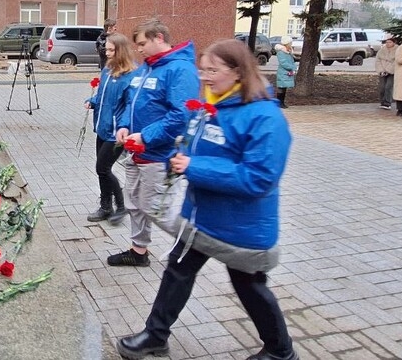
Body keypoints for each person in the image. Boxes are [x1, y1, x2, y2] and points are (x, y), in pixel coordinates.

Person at [116, 39, 298, 360]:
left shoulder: (265, 118)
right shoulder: (214, 106)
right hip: (201, 218)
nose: (205, 77)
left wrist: (194, 166)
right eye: (203, 69)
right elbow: (198, 146)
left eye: (213, 70)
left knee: (250, 287)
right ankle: (155, 336)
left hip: (240, 226)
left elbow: (259, 178)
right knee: (177, 271)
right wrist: (180, 154)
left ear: (239, 72)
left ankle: (281, 351)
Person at [108, 19, 200, 267]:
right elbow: (131, 102)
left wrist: (146, 136)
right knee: (135, 204)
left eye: (142, 44)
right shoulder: (146, 68)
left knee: (156, 208)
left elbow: (182, 115)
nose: (138, 49)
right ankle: (138, 251)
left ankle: (198, 246)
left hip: (159, 155)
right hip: (137, 152)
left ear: (158, 37)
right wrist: (125, 124)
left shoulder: (180, 70)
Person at [85, 33, 138, 224]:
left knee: (103, 168)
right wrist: (92, 102)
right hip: (102, 127)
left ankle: (121, 206)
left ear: (121, 51)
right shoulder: (107, 70)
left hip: (116, 132)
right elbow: (101, 96)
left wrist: (123, 127)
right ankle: (106, 207)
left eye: (110, 50)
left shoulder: (131, 75)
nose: (106, 53)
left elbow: (131, 106)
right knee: (101, 169)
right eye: (105, 49)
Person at [374, 35, 398, 110]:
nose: (388, 44)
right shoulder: (382, 50)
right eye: (387, 42)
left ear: (393, 43)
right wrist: (381, 70)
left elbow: (396, 62)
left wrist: (389, 70)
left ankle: (388, 102)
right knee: (382, 87)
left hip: (392, 72)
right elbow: (378, 61)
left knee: (388, 87)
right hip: (382, 71)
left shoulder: (397, 50)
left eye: (390, 42)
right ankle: (382, 102)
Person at [273, 35, 296, 109]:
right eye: (290, 43)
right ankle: (279, 103)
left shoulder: (289, 51)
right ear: (287, 43)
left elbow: (291, 61)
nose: (291, 44)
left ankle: (282, 102)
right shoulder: (281, 52)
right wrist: (292, 67)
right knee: (281, 88)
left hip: (287, 72)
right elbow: (283, 63)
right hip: (283, 72)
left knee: (284, 88)